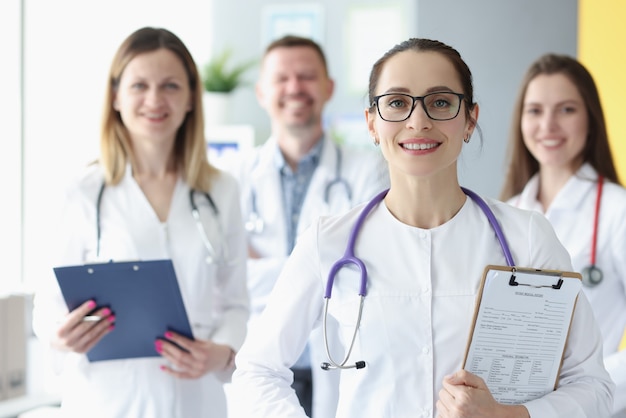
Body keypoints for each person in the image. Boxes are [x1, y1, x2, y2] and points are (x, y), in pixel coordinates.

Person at [229, 38, 615, 417]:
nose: (418, 121)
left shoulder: (527, 236)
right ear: (371, 124)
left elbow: (592, 384)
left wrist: (513, 416)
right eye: (396, 103)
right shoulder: (327, 242)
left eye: (440, 102)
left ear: (470, 120)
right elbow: (257, 370)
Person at [31, 27, 249, 418]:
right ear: (115, 96)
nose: (154, 99)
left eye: (170, 86)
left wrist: (221, 354)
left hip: (195, 400)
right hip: (106, 402)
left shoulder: (221, 190)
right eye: (138, 85)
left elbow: (235, 303)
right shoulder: (81, 192)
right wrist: (61, 335)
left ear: (189, 100)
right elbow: (47, 307)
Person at [227, 35, 388, 418]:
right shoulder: (233, 178)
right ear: (262, 92)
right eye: (282, 78)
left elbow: (367, 269)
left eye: (306, 76)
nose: (295, 88)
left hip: (337, 357)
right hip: (258, 366)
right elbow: (228, 278)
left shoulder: (369, 171)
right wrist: (318, 268)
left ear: (328, 87)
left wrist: (262, 266)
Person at [500, 53, 626, 417]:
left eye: (566, 110)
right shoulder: (504, 214)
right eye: (535, 110)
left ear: (590, 118)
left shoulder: (618, 211)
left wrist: (585, 394)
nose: (548, 125)